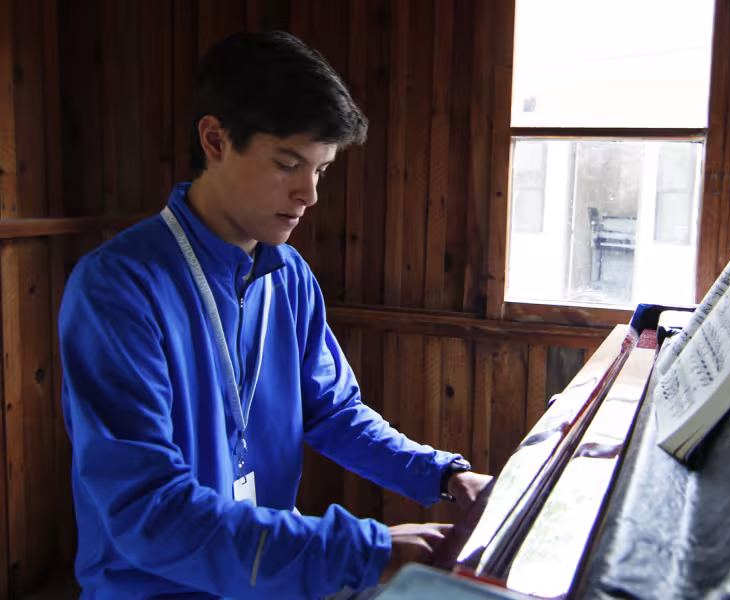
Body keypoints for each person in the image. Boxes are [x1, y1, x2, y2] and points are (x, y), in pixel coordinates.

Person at [59, 30, 490, 599]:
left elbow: (334, 413)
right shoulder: (117, 287)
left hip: (272, 578)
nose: (308, 194)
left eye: (322, 170)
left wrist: (443, 475)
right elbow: (149, 514)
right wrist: (368, 549)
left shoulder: (288, 275)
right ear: (215, 140)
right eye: (288, 164)